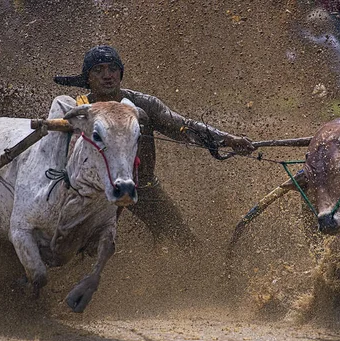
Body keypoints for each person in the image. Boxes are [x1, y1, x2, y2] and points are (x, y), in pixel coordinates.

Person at [51, 45, 255, 245]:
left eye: (112, 69)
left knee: (184, 242)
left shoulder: (143, 105)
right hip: (92, 189)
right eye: (99, 70)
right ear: (88, 78)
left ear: (120, 74)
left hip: (141, 185)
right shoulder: (77, 111)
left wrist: (229, 139)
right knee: (70, 243)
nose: (107, 75)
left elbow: (183, 126)